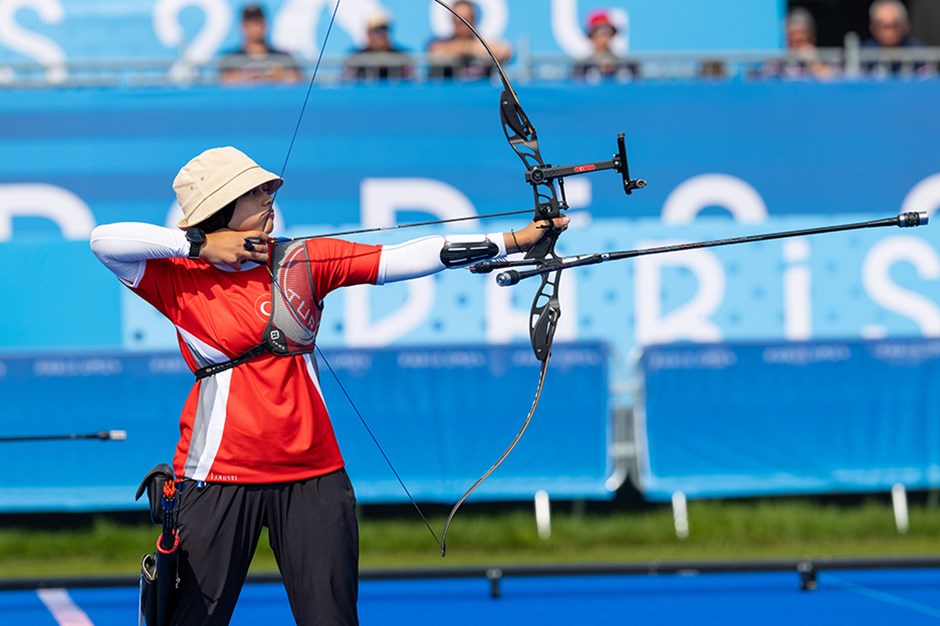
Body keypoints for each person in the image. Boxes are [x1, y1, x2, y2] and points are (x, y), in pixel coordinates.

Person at [89, 146, 566, 624]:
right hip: (216, 475)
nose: (268, 198)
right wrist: (199, 246)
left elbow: (403, 257)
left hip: (313, 476)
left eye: (267, 189)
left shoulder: (300, 261)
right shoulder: (177, 276)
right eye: (254, 193)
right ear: (221, 208)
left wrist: (516, 239)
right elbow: (103, 241)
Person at [427, 0, 512, 80]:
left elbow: (505, 51)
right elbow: (434, 50)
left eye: (466, 19)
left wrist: (487, 49)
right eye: (457, 19)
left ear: (474, 19)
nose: (461, 24)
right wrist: (469, 48)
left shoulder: (484, 42)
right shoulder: (441, 43)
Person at [218, 4, 301, 84]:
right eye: (251, 23)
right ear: (243, 26)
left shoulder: (283, 58)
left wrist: (276, 77)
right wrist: (248, 79)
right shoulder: (231, 60)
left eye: (258, 22)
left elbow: (296, 80)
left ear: (265, 24)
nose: (255, 27)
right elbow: (226, 82)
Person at [762, 8, 836, 79]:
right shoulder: (777, 64)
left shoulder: (826, 59)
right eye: (792, 40)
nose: (796, 46)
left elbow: (834, 83)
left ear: (811, 38)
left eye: (801, 41)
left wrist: (813, 63)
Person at [862, 0, 930, 76]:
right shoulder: (862, 54)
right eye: (883, 25)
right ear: (872, 27)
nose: (889, 31)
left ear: (905, 25)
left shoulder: (918, 53)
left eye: (894, 25)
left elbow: (928, 82)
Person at [343, 11, 414, 81]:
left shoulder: (401, 56)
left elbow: (411, 80)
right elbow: (346, 82)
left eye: (384, 30)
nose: (382, 36)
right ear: (368, 34)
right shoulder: (356, 57)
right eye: (377, 31)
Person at [572, 10, 639, 82]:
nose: (605, 37)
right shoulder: (581, 67)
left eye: (608, 31)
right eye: (600, 31)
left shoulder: (626, 65)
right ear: (591, 35)